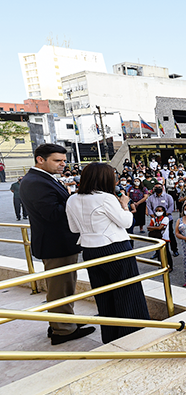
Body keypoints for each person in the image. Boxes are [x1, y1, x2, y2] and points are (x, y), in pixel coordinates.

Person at [65, 162, 150, 343]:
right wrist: (125, 205)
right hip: (114, 248)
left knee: (103, 294)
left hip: (89, 249)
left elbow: (73, 228)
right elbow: (127, 223)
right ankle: (132, 336)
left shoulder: (72, 199)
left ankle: (110, 337)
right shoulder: (105, 198)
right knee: (127, 293)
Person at [19, 143, 95, 345]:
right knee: (60, 288)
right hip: (56, 244)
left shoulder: (41, 178)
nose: (63, 164)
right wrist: (75, 201)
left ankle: (62, 322)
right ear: (40, 159)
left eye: (64, 160)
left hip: (59, 242)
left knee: (65, 286)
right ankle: (62, 330)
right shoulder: (36, 182)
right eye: (57, 161)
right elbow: (52, 213)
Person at [147, 205, 173, 270]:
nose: (158, 212)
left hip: (164, 238)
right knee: (159, 252)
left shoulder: (165, 218)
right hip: (157, 238)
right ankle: (161, 265)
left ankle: (169, 266)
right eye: (156, 211)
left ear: (163, 211)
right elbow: (149, 228)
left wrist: (153, 228)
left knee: (166, 252)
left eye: (160, 210)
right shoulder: (153, 219)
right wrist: (156, 228)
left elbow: (159, 227)